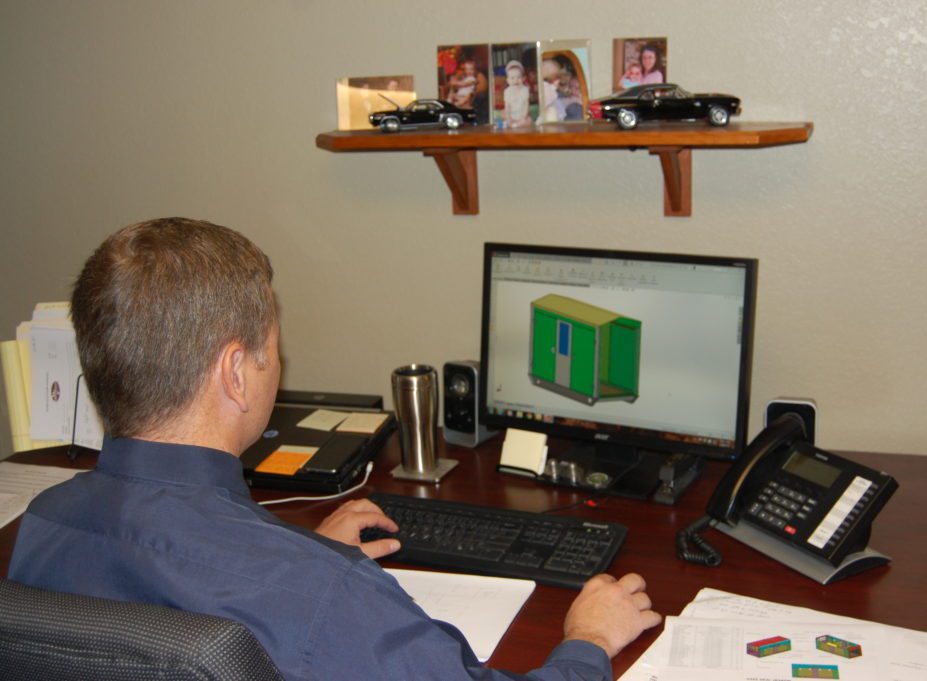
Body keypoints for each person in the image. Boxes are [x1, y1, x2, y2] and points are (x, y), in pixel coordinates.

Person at [8, 217, 662, 681]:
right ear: (236, 374)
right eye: (272, 346)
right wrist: (589, 639)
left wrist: (306, 548)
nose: (278, 361)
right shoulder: (321, 594)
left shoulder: (44, 524)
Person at [502, 60, 532, 128]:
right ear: (508, 80)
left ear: (523, 78)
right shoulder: (507, 91)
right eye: (512, 78)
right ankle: (509, 124)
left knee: (529, 120)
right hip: (511, 115)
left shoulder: (525, 90)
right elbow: (507, 107)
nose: (516, 80)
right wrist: (508, 118)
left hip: (522, 114)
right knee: (503, 114)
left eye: (519, 77)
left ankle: (517, 124)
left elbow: (526, 105)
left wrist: (523, 117)